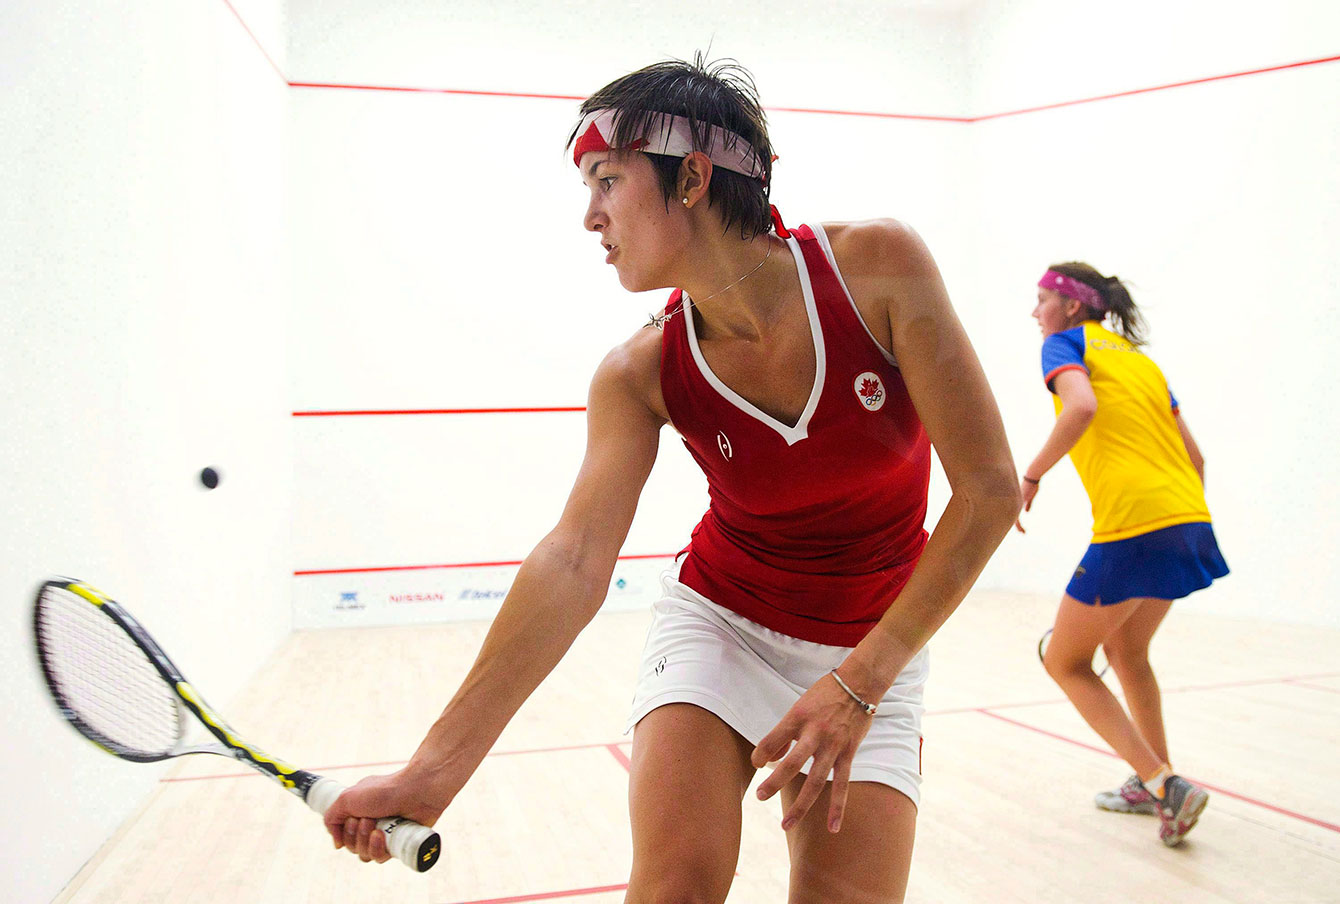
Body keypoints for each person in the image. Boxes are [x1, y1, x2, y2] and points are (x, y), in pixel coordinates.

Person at [322, 55, 1020, 902]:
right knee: (674, 891)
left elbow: (988, 493)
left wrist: (859, 683)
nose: (590, 217)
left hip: (876, 647)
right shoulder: (639, 372)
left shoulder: (877, 269)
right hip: (723, 629)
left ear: (691, 178)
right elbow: (574, 561)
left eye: (606, 181)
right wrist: (431, 773)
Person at [1016, 262, 1229, 847]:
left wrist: (1029, 477)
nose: (1034, 313)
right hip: (1189, 516)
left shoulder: (1065, 345)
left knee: (1064, 660)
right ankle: (1152, 782)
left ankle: (1166, 783)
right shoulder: (1143, 363)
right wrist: (1173, 522)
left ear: (1072, 306)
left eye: (1041, 301)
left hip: (1136, 523)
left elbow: (1080, 408)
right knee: (1127, 649)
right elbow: (1198, 460)